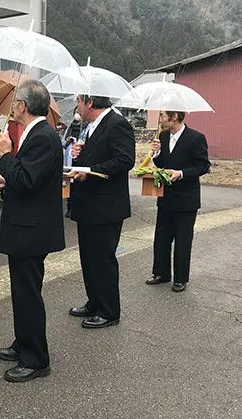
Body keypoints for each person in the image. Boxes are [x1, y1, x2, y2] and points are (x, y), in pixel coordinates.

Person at [0, 79, 65, 382]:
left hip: (32, 230)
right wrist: (8, 178)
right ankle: (23, 343)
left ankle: (36, 358)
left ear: (22, 106)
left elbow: (26, 180)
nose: (12, 109)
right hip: (27, 225)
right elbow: (27, 180)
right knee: (21, 291)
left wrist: (6, 156)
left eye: (14, 104)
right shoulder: (36, 134)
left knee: (28, 293)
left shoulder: (42, 137)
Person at [68, 95, 135, 328]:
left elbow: (125, 160)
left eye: (78, 101)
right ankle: (94, 301)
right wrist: (80, 153)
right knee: (88, 258)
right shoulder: (91, 126)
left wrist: (91, 170)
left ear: (89, 103)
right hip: (88, 204)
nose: (76, 106)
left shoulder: (117, 124)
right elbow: (99, 154)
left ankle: (109, 311)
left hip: (106, 206)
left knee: (103, 259)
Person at [145, 110, 211, 293]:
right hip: (166, 195)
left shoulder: (196, 138)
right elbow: (162, 164)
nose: (160, 120)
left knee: (182, 239)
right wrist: (157, 154)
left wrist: (181, 174)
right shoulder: (164, 136)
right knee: (161, 237)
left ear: (174, 117)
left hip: (186, 197)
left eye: (162, 116)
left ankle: (180, 277)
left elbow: (203, 166)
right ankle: (161, 272)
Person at [63, 109, 85, 217]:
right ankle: (69, 207)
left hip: (79, 160)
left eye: (79, 111)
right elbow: (63, 143)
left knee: (77, 183)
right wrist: (68, 141)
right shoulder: (71, 126)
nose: (77, 113)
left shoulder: (85, 127)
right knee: (69, 183)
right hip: (69, 158)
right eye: (76, 111)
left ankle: (76, 207)